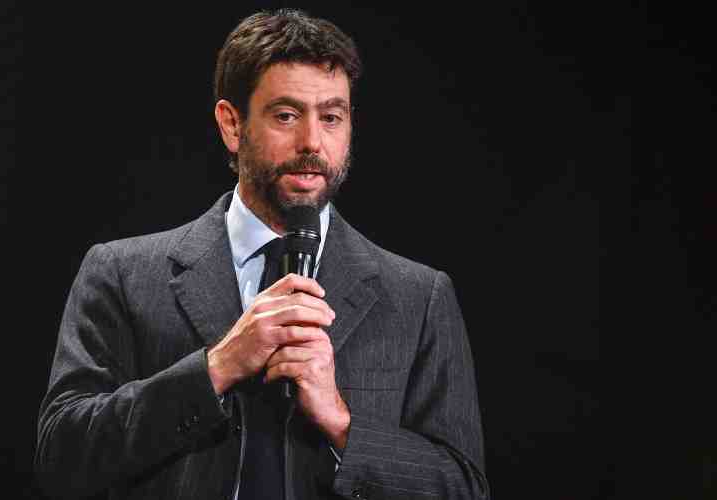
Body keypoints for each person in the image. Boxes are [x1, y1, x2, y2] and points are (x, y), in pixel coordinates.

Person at [35, 9, 489, 500]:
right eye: (286, 116)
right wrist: (218, 366)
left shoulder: (418, 297)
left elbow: (462, 488)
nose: (312, 142)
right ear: (232, 125)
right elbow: (62, 458)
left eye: (331, 117)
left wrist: (341, 422)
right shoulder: (121, 274)